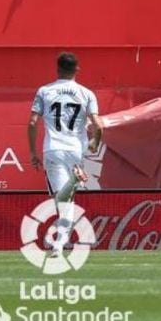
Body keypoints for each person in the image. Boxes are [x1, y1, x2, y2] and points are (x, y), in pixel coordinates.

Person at [28, 52, 101, 259]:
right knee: (66, 200)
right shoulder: (86, 93)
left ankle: (59, 244)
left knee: (61, 199)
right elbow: (98, 125)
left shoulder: (44, 91)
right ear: (77, 69)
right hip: (76, 150)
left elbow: (32, 122)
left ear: (57, 69)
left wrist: (32, 152)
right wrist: (95, 142)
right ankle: (60, 242)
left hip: (53, 149)